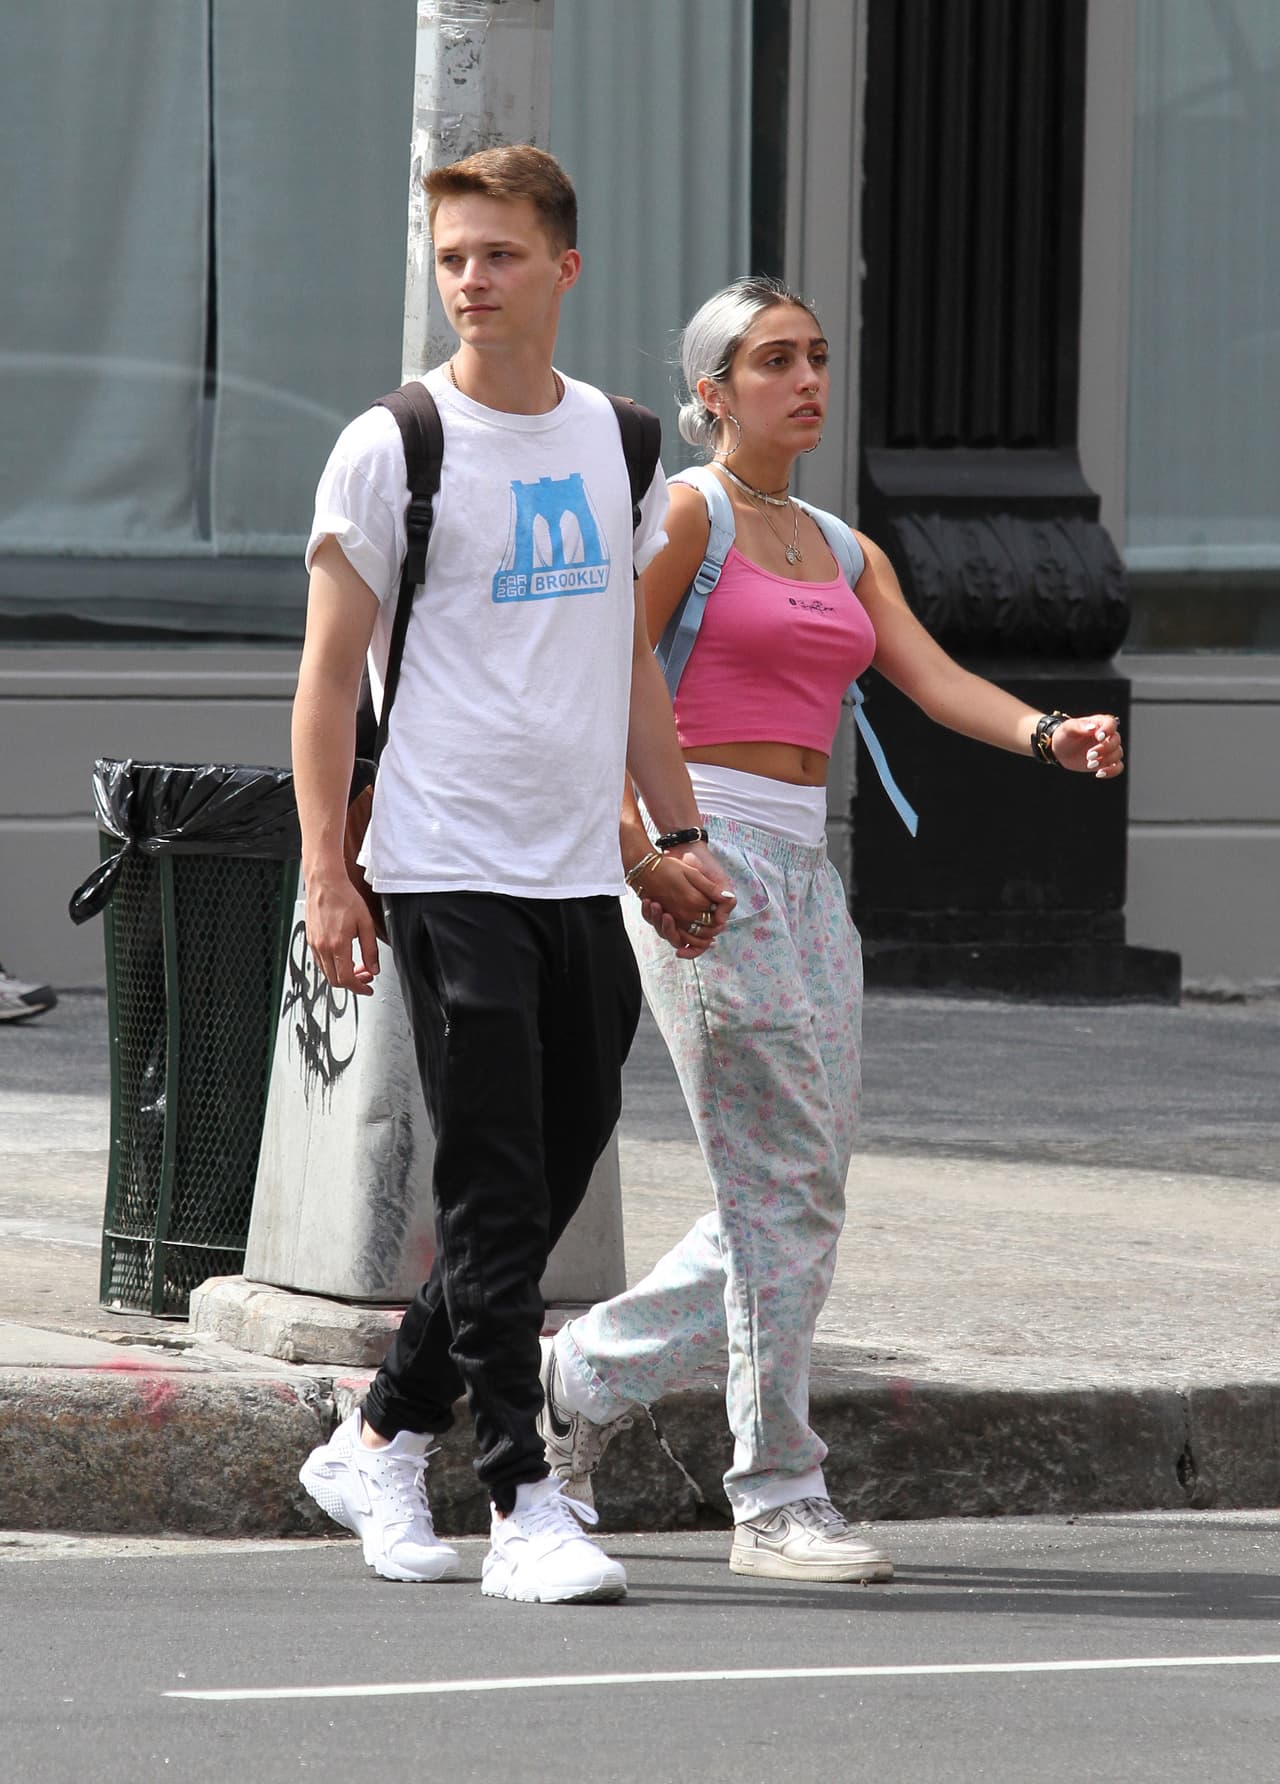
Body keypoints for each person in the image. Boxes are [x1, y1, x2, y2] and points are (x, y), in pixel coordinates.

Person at [537, 275, 1125, 1584]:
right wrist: (647, 853)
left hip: (808, 879)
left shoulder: (846, 545)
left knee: (796, 1190)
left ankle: (576, 1377)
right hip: (708, 863)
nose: (806, 380)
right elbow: (601, 679)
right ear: (711, 393)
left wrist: (1047, 732)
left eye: (813, 358)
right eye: (771, 361)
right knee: (786, 1187)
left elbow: (928, 676)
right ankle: (777, 1498)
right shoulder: (688, 517)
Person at [292, 146, 733, 1605]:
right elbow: (323, 680)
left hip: (571, 867)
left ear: (564, 269)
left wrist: (674, 834)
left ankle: (375, 1433)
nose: (471, 281)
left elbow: (622, 658)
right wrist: (328, 875)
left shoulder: (615, 438)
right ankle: (521, 1501)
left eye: (498, 255)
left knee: (556, 1149)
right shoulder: (394, 443)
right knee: (491, 1177)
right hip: (439, 858)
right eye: (453, 257)